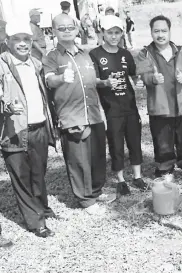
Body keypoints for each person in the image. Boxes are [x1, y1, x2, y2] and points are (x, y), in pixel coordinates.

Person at [43, 14, 107, 215]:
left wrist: (103, 82)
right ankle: (86, 200)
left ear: (77, 28)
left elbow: (89, 79)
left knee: (96, 155)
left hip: (94, 113)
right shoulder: (52, 56)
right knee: (78, 160)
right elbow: (49, 80)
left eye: (71, 26)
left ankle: (96, 189)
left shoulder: (84, 53)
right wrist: (61, 77)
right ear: (54, 32)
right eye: (61, 28)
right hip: (72, 116)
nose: (67, 30)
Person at [0, 20, 58, 237]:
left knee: (38, 172)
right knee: (22, 177)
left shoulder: (36, 64)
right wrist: (5, 105)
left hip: (39, 127)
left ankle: (41, 206)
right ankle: (36, 222)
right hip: (14, 131)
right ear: (7, 42)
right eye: (17, 39)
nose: (23, 43)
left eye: (26, 39)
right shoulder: (1, 65)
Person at [136, 15, 182, 185]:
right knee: (162, 141)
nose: (160, 34)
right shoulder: (145, 54)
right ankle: (165, 170)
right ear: (151, 32)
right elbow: (143, 76)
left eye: (164, 30)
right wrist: (152, 78)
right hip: (160, 106)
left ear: (170, 32)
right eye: (156, 31)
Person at [89, 15, 147, 196]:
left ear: (122, 33)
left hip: (129, 105)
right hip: (111, 108)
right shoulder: (95, 54)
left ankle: (137, 176)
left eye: (117, 32)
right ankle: (121, 179)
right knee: (116, 142)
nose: (114, 36)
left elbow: (133, 74)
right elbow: (93, 80)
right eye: (110, 33)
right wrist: (105, 83)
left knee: (134, 139)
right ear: (103, 33)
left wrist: (138, 82)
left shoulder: (125, 54)